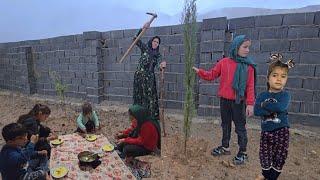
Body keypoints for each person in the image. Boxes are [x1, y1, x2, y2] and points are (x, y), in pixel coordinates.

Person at [192, 35, 257, 165]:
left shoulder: (248, 66)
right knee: (225, 124)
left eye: (248, 47)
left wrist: (250, 104)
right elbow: (212, 75)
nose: (247, 50)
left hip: (239, 102)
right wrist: (199, 72)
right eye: (245, 47)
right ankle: (225, 147)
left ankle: (243, 152)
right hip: (224, 101)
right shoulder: (224, 62)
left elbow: (250, 86)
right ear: (236, 47)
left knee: (240, 127)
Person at [254, 54, 295, 180]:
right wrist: (267, 107)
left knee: (279, 157)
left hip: (282, 131)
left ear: (286, 79)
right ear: (268, 78)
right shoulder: (262, 95)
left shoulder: (285, 96)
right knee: (264, 157)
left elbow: (281, 108)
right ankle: (267, 175)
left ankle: (272, 177)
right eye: (275, 75)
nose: (279, 79)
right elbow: (256, 110)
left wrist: (265, 105)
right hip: (266, 132)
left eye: (283, 76)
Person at [133, 22, 166, 119]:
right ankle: (138, 114)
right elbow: (136, 39)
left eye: (157, 42)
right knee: (139, 95)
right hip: (139, 76)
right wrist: (143, 28)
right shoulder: (145, 48)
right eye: (154, 41)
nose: (156, 43)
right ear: (151, 41)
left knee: (150, 97)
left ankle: (150, 116)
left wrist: (162, 65)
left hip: (149, 79)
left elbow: (159, 65)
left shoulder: (158, 55)